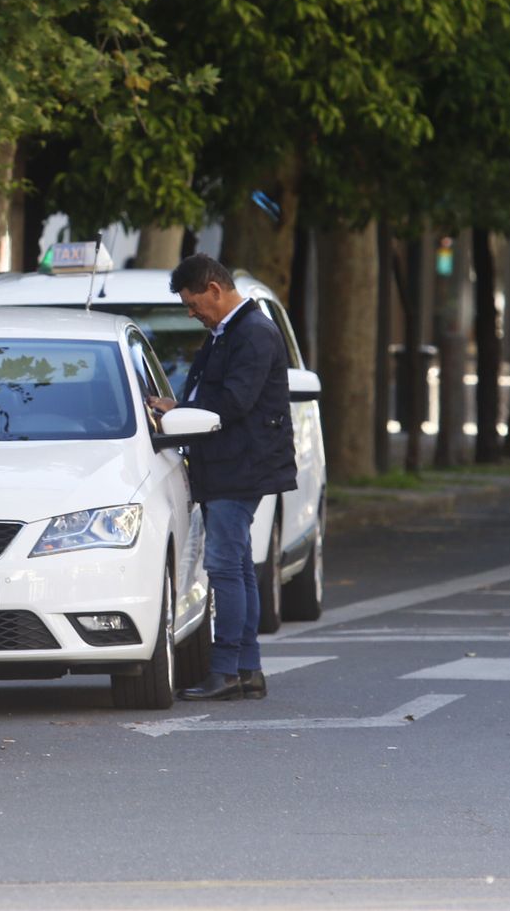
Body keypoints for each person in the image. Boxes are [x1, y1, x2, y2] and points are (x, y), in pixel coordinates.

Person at [151, 253, 297, 701]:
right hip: (233, 464)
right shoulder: (230, 331)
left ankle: (227, 669)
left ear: (214, 289)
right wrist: (180, 409)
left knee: (224, 568)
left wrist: (181, 413)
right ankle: (247, 669)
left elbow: (233, 402)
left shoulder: (252, 333)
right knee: (239, 568)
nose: (192, 313)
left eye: (193, 304)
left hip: (238, 467)